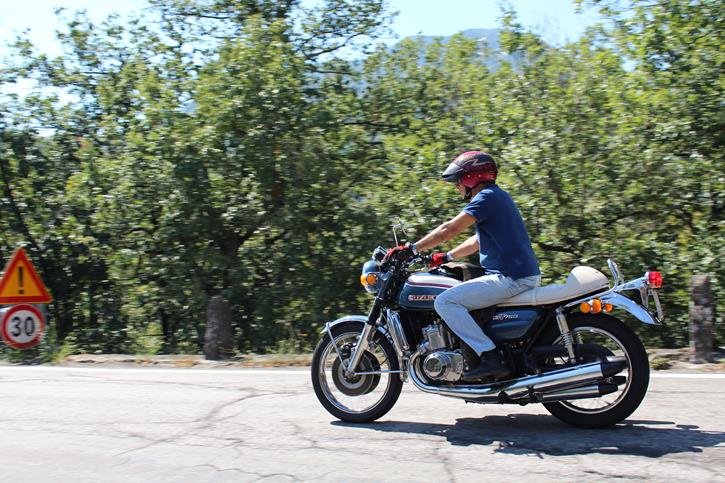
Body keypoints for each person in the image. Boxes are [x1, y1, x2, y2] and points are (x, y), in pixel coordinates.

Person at [387, 151, 541, 382]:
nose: (457, 187)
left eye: (458, 181)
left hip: (510, 278)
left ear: (471, 178)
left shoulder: (486, 197)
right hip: (518, 276)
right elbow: (478, 241)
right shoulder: (497, 197)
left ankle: (489, 357)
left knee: (445, 302)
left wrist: (412, 248)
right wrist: (446, 256)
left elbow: (449, 229)